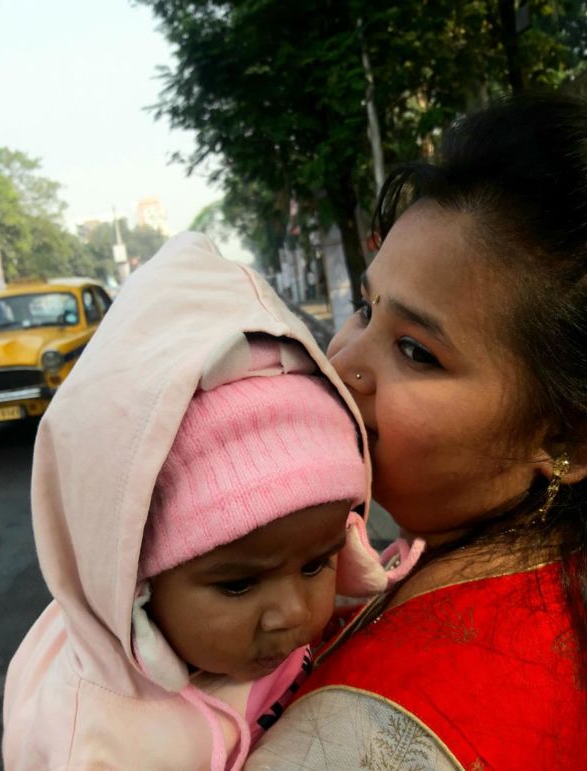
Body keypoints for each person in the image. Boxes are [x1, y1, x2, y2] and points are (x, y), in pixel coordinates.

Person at [246, 93, 587, 770]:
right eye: (364, 308)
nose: (340, 363)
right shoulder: (543, 570)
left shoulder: (373, 736)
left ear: (566, 443)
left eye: (415, 350)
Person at [2, 233, 416, 771]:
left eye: (316, 564)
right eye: (238, 585)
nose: (293, 613)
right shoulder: (102, 748)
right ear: (136, 588)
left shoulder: (257, 640)